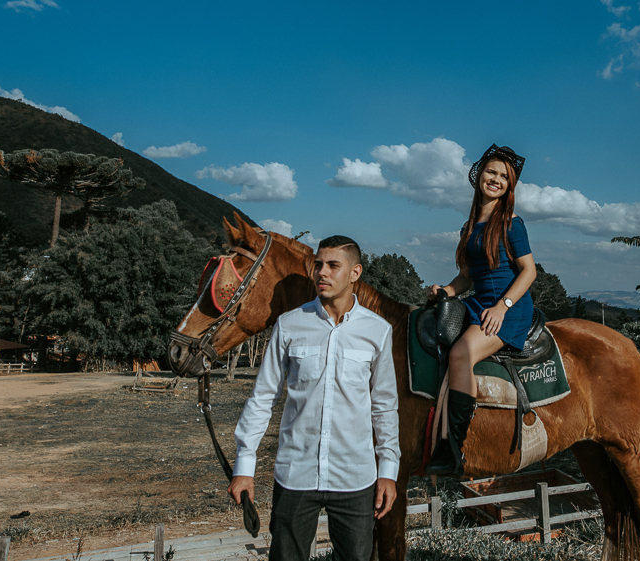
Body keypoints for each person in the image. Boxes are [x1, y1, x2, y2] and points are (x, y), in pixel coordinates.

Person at [227, 235, 400, 561]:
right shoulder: (289, 325)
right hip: (295, 474)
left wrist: (388, 470)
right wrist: (244, 466)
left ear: (355, 272)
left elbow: (385, 406)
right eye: (318, 265)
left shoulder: (377, 331)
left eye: (334, 265)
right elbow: (263, 396)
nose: (322, 272)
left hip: (355, 478)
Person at [424, 144, 537, 477]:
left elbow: (529, 271)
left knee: (461, 354)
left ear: (510, 186)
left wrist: (502, 307)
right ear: (478, 176)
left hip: (508, 307)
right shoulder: (468, 226)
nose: (497, 179)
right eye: (492, 172)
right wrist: (445, 290)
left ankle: (453, 446)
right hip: (478, 302)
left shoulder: (512, 224)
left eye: (504, 177)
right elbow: (466, 277)